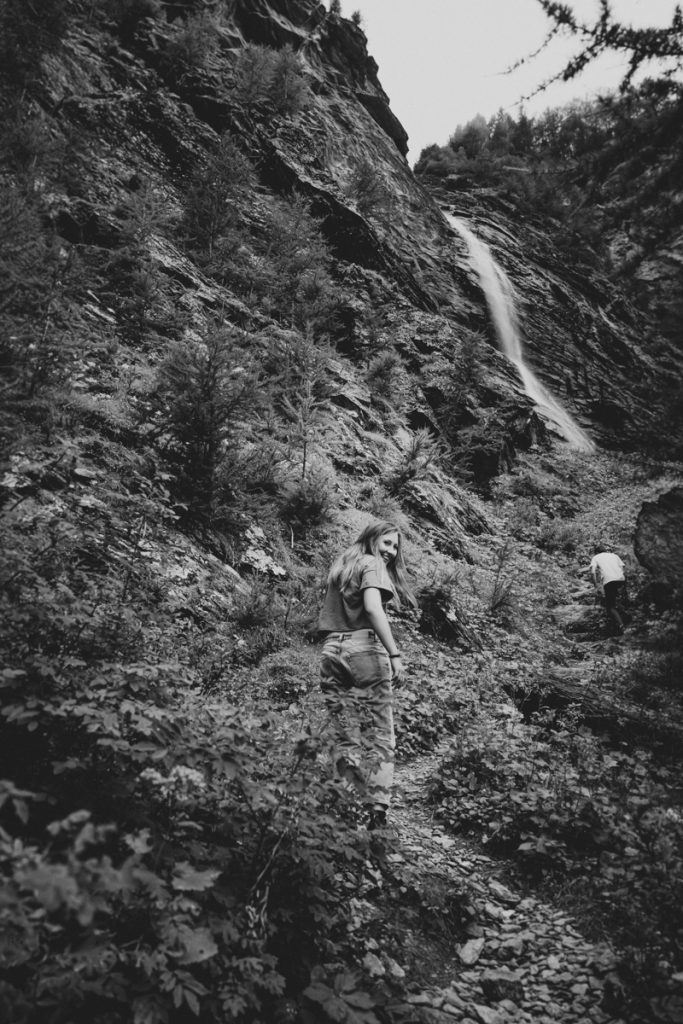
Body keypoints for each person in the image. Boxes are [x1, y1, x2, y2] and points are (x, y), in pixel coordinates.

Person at [317, 521, 415, 828]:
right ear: (371, 539)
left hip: (332, 650)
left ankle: (342, 812)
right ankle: (376, 813)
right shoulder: (371, 563)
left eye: (395, 546)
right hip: (365, 652)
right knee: (380, 734)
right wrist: (395, 654)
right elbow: (373, 609)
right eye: (386, 543)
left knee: (344, 733)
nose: (390, 551)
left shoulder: (343, 564)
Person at [589, 543, 628, 635]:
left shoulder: (596, 557)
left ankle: (622, 627)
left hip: (609, 581)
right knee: (620, 600)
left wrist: (596, 586)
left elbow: (592, 572)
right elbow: (623, 567)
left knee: (610, 607)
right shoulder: (614, 555)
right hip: (621, 579)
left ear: (596, 552)